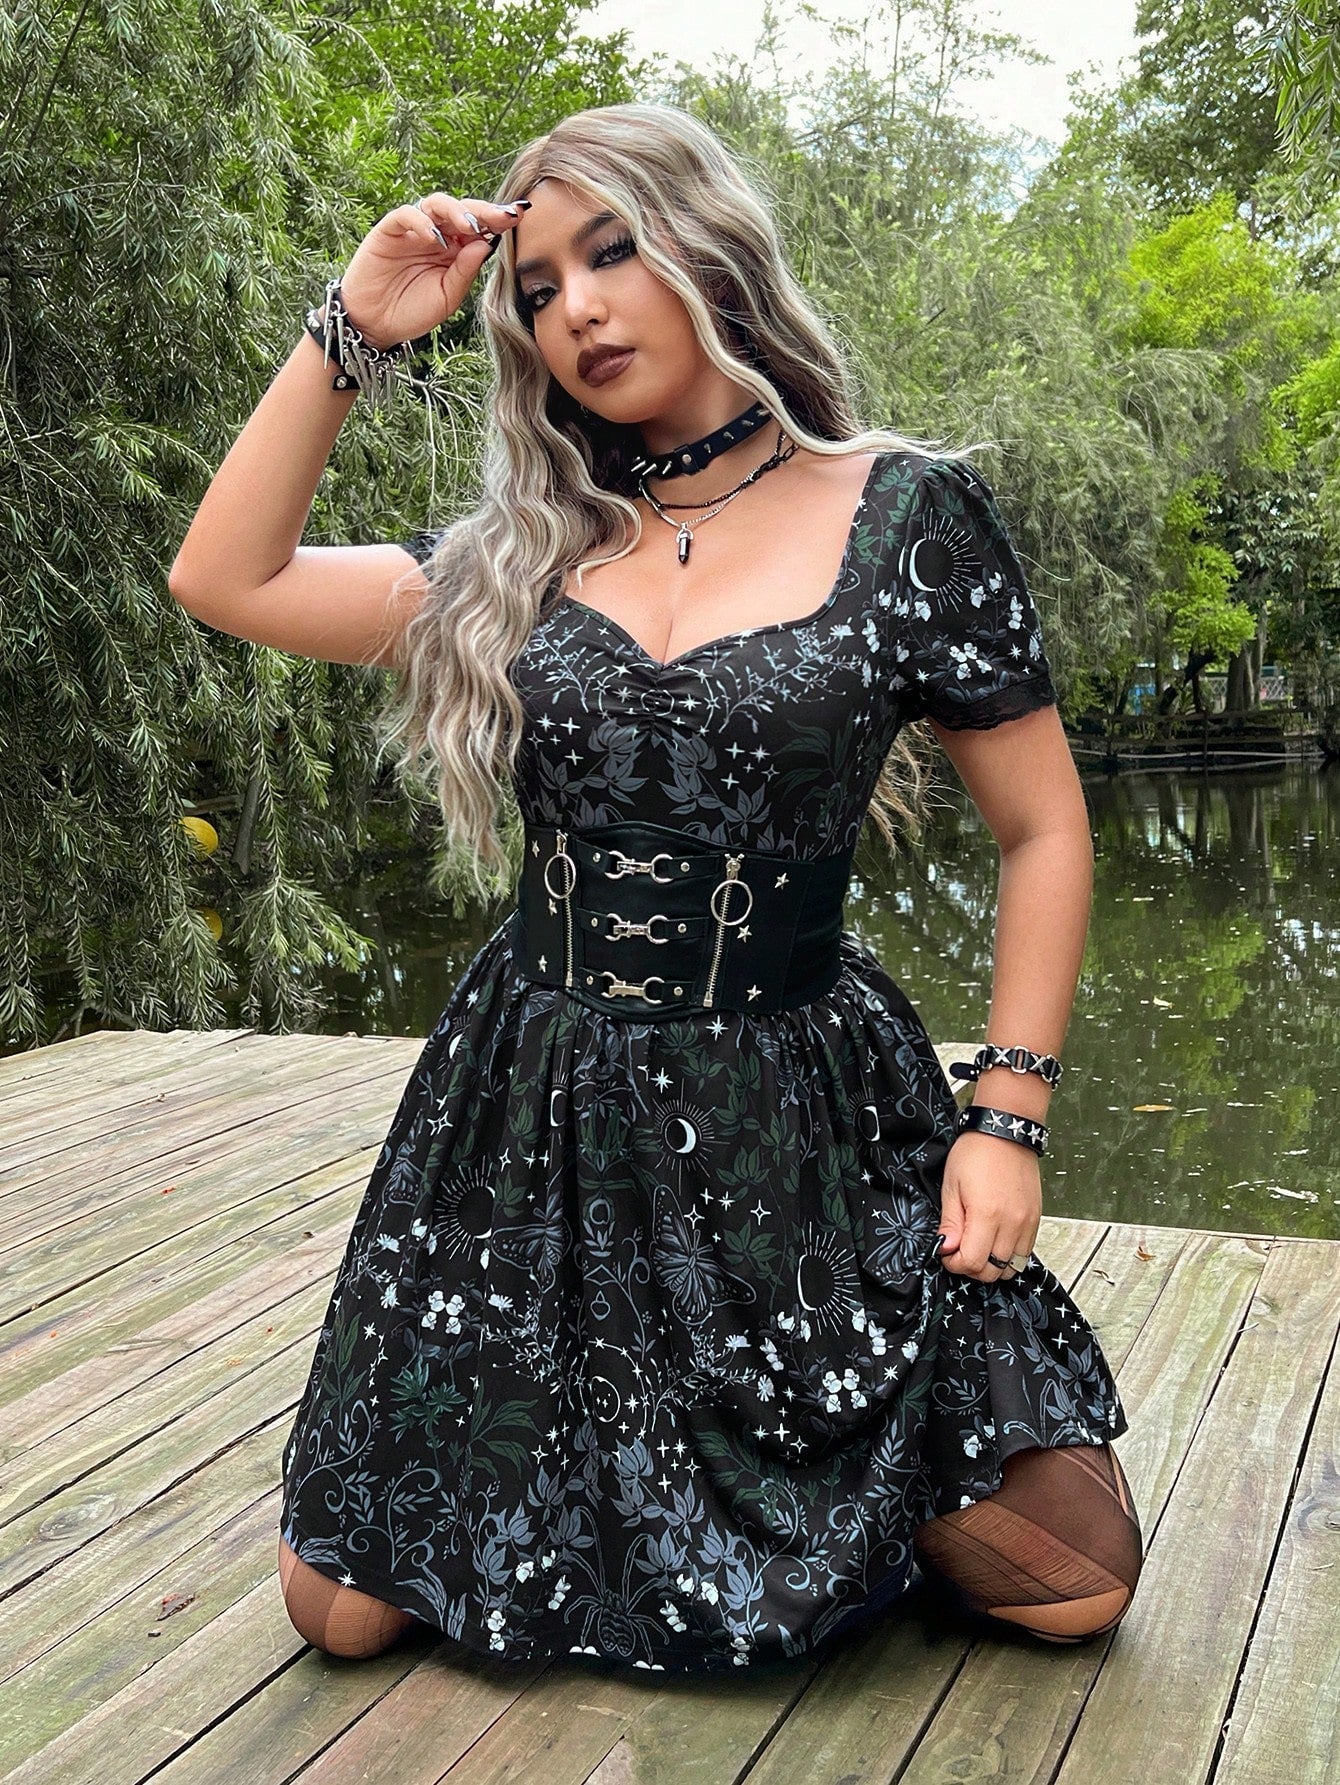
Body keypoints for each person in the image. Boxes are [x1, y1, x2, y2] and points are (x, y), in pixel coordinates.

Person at [169, 101, 1143, 1672]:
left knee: (1071, 1580)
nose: (580, 307)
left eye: (612, 250)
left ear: (706, 239)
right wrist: (353, 325)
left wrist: (1007, 1112)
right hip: (536, 1118)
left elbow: (1045, 829)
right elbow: (225, 576)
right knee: (337, 1609)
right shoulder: (514, 559)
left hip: (798, 1123)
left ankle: (816, 1487)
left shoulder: (906, 513)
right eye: (539, 288)